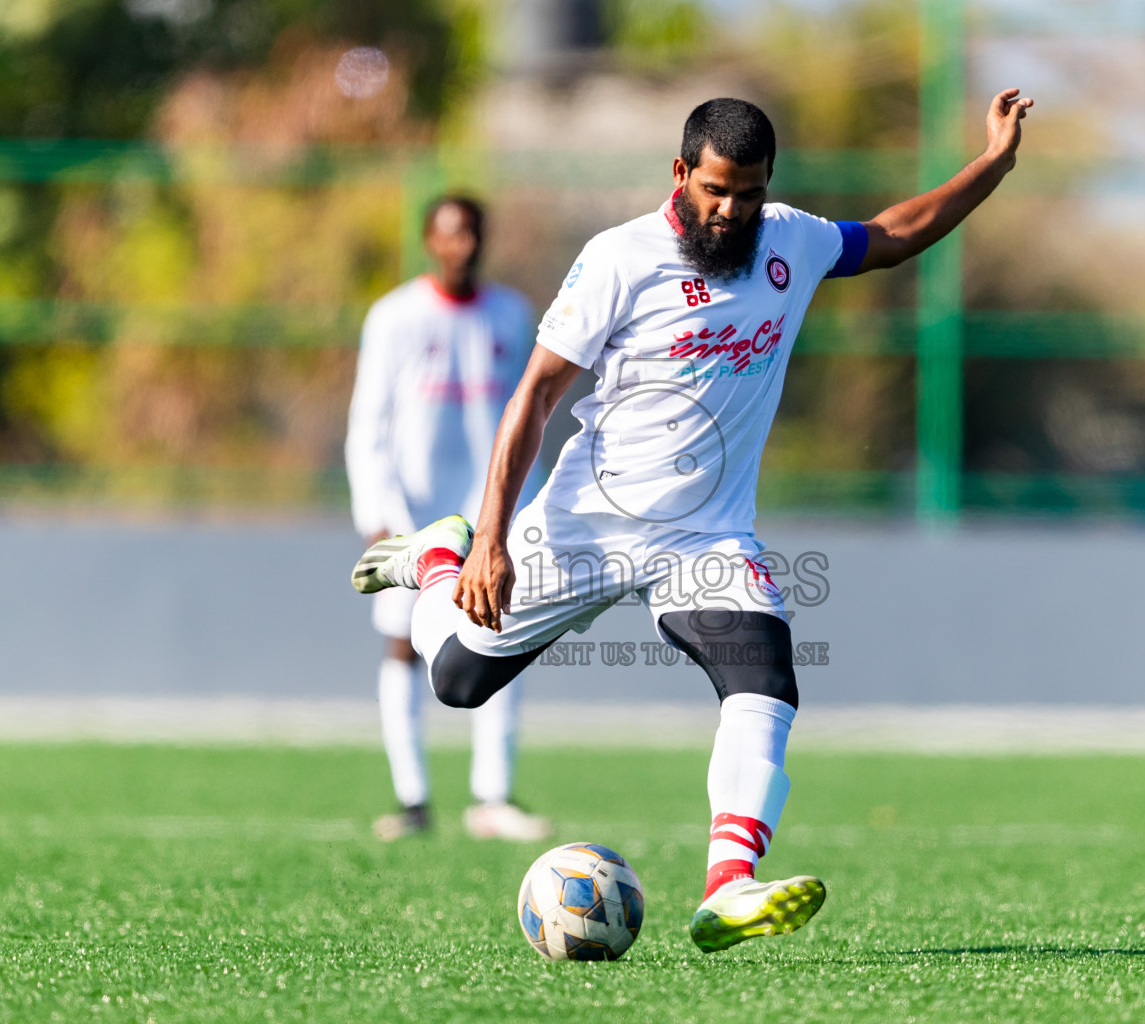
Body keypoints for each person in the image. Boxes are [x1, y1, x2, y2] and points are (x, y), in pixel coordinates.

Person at [352, 90, 1033, 949]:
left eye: (749, 193)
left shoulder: (789, 239)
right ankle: (439, 560)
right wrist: (487, 539)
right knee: (457, 681)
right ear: (680, 173)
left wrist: (993, 164)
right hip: (587, 525)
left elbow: (894, 233)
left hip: (704, 539)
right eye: (717, 190)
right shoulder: (618, 259)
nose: (732, 210)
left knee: (767, 673)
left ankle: (729, 886)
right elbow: (533, 397)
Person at [344, 195, 551, 843]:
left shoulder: (513, 315)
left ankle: (492, 797)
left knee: (500, 635)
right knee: (404, 646)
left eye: (470, 235)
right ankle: (413, 799)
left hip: (491, 514)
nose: (459, 246)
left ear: (483, 240)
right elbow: (368, 422)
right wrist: (377, 511)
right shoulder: (395, 317)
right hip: (413, 516)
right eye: (447, 235)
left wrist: (527, 509)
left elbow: (533, 414)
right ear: (430, 242)